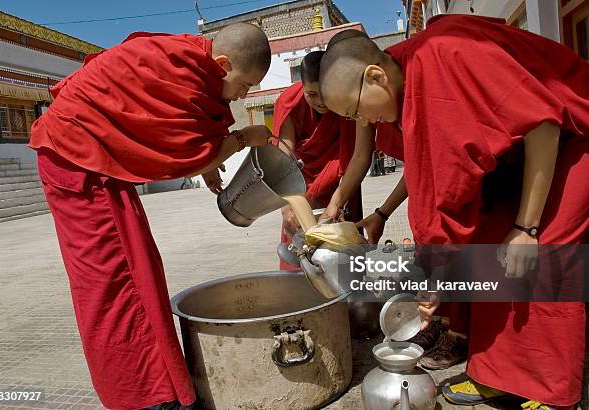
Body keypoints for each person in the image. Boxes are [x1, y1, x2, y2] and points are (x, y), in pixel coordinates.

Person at [319, 14, 588, 409]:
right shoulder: (408, 79)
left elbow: (542, 123)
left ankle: (549, 392)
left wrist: (527, 227)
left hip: (571, 138)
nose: (363, 122)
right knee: (488, 253)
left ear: (375, 76)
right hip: (522, 158)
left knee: (545, 257)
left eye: (356, 110)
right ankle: (499, 377)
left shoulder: (446, 53)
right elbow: (436, 169)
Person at [29, 23, 272, 410]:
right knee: (118, 282)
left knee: (140, 270)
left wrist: (210, 153)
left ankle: (163, 386)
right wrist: (243, 139)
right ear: (222, 63)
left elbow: (191, 126)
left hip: (84, 156)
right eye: (244, 86)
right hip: (78, 160)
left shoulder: (189, 58)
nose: (242, 96)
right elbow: (186, 152)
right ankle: (147, 398)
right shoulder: (182, 68)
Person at [274, 50, 361, 270]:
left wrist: (337, 204)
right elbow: (284, 153)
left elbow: (352, 157)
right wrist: (287, 204)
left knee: (342, 249)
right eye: (311, 94)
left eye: (324, 93)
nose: (320, 102)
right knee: (299, 247)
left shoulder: (345, 103)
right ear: (301, 86)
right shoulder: (289, 102)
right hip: (299, 183)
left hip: (340, 179)